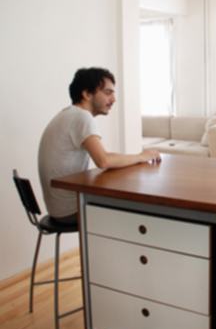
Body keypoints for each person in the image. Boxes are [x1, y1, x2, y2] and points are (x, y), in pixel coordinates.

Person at [38, 67, 160, 225]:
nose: (113, 99)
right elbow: (104, 160)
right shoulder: (81, 117)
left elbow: (105, 158)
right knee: (139, 203)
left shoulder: (68, 115)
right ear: (87, 94)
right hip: (71, 210)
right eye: (108, 93)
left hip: (58, 209)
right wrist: (142, 156)